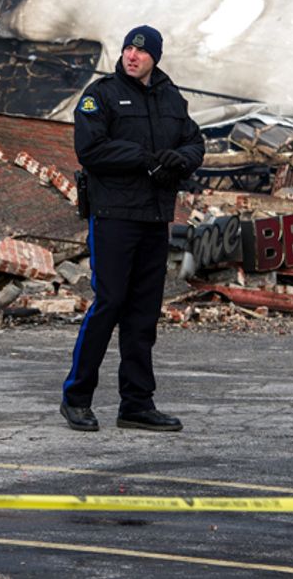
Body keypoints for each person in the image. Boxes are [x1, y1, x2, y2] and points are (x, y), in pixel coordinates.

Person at [61, 25, 205, 433]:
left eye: (141, 52)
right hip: (114, 215)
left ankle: (137, 405)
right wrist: (144, 159)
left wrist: (177, 160)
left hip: (154, 218)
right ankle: (76, 398)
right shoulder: (100, 95)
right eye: (127, 49)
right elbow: (91, 149)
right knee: (109, 304)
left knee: (143, 314)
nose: (132, 56)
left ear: (154, 57)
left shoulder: (171, 97)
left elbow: (195, 142)